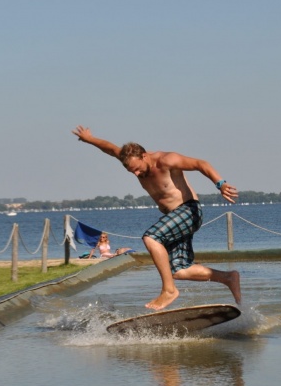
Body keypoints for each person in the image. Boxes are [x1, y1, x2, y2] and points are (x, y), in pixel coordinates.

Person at [72, 125, 241, 310]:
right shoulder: (130, 159)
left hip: (188, 210)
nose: (136, 174)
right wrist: (89, 139)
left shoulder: (167, 160)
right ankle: (228, 278)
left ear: (144, 156)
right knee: (179, 270)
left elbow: (201, 164)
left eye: (137, 169)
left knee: (151, 237)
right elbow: (110, 148)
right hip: (174, 218)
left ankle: (168, 291)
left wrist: (221, 184)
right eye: (131, 172)